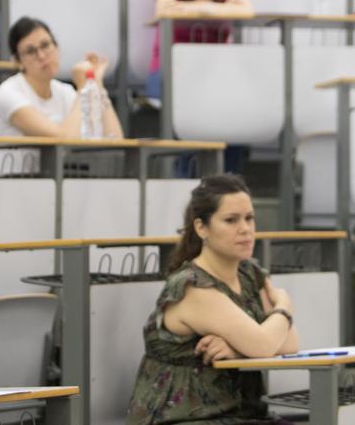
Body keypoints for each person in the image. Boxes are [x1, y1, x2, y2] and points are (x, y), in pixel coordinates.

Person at [126, 174, 297, 424]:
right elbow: (265, 344)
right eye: (231, 220)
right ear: (201, 228)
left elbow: (289, 343)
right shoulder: (192, 287)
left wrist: (238, 350)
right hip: (183, 419)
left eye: (249, 218)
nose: (245, 229)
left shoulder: (250, 274)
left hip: (241, 416)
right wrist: (284, 306)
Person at [0, 16, 122, 139]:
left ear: (57, 47)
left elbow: (114, 138)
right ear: (18, 62)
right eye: (30, 51)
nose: (42, 56)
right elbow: (64, 141)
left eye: (45, 45)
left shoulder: (64, 92)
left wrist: (96, 82)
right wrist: (83, 88)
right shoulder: (9, 94)